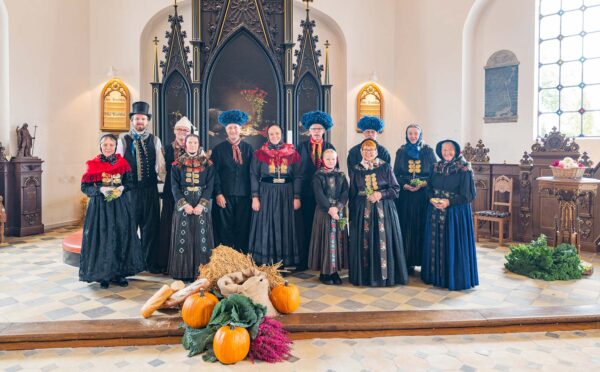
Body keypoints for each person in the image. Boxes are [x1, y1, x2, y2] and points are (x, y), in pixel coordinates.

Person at [79, 134, 144, 289]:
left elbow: (130, 182)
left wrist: (122, 188)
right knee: (103, 239)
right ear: (100, 146)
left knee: (120, 236)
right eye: (105, 144)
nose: (108, 147)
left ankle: (119, 274)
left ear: (115, 147)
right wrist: (100, 189)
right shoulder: (93, 164)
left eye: (111, 145)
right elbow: (84, 187)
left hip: (119, 207)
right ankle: (104, 275)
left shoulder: (122, 163)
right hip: (100, 209)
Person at [348, 139, 408, 287]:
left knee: (383, 241)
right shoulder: (356, 169)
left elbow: (395, 189)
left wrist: (380, 195)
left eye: (371, 150)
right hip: (363, 211)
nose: (368, 153)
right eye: (365, 150)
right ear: (361, 152)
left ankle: (384, 277)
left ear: (376, 152)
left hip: (384, 211)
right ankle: (365, 277)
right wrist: (352, 213)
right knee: (365, 242)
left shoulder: (385, 167)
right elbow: (353, 192)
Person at [421, 139, 478, 291]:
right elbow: (429, 188)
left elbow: (468, 196)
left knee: (452, 243)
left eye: (450, 150)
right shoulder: (435, 167)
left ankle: (452, 278)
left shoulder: (464, 169)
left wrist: (448, 202)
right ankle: (435, 277)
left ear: (457, 150)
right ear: (440, 151)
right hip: (434, 210)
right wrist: (431, 198)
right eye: (444, 150)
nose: (447, 153)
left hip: (455, 213)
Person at [117, 101, 166, 273]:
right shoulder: (123, 140)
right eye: (137, 118)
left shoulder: (155, 140)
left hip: (150, 190)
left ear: (147, 121)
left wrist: (164, 182)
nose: (140, 122)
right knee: (129, 227)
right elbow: (118, 165)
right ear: (132, 120)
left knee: (151, 227)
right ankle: (129, 264)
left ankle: (150, 263)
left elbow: (160, 166)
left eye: (143, 119)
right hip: (130, 191)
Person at [248, 124, 302, 268]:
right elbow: (254, 175)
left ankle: (285, 261)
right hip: (266, 192)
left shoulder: (292, 153)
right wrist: (255, 196)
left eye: (277, 133)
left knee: (285, 223)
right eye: (271, 134)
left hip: (286, 192)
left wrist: (296, 196)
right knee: (267, 223)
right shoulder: (260, 154)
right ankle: (267, 260)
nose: (274, 136)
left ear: (281, 134)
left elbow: (297, 176)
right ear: (267, 135)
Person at [168, 134, 215, 281]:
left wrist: (202, 204)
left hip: (201, 202)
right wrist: (184, 204)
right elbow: (174, 187)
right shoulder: (177, 164)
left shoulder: (207, 164)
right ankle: (183, 272)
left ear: (198, 144)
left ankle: (202, 273)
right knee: (184, 235)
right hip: (184, 202)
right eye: (190, 142)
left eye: (195, 142)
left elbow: (210, 185)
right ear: (185, 145)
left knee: (201, 237)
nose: (193, 145)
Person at [393, 124, 436, 274]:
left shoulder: (428, 151)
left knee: (422, 225)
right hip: (405, 196)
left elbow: (435, 174)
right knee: (406, 226)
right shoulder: (401, 151)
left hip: (422, 195)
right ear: (406, 135)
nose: (413, 136)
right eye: (410, 133)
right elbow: (395, 174)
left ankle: (423, 261)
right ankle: (408, 262)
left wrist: (422, 184)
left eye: (415, 133)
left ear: (420, 134)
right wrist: (405, 185)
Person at [297, 110, 336, 270]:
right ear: (309, 130)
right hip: (306, 194)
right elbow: (297, 172)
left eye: (320, 129)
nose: (317, 132)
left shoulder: (330, 147)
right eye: (314, 129)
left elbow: (335, 171)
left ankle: (322, 260)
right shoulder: (301, 147)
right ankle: (305, 260)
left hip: (325, 196)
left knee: (324, 227)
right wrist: (297, 194)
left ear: (324, 130)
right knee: (305, 225)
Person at [211, 110, 254, 253]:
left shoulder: (249, 149)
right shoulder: (218, 150)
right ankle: (227, 258)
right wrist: (218, 193)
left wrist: (253, 195)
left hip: (244, 195)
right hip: (225, 195)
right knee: (225, 227)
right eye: (230, 128)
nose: (233, 130)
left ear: (240, 129)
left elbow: (253, 173)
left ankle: (241, 258)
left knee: (242, 227)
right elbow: (214, 174)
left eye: (235, 127)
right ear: (226, 130)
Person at [308, 149, 348, 285]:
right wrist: (330, 208)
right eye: (328, 159)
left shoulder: (341, 175)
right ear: (323, 160)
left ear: (336, 160)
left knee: (337, 241)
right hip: (324, 212)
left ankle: (335, 271)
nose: (331, 161)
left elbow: (345, 192)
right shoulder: (318, 176)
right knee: (325, 241)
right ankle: (325, 273)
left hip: (339, 211)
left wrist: (338, 207)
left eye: (333, 159)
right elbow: (318, 194)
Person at [157, 116, 191, 274]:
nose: (182, 133)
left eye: (186, 130)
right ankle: (166, 263)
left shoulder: (195, 147)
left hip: (189, 195)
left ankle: (186, 262)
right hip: (171, 194)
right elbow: (162, 171)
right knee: (168, 226)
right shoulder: (166, 149)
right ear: (174, 131)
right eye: (180, 130)